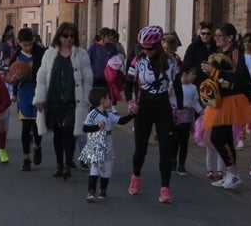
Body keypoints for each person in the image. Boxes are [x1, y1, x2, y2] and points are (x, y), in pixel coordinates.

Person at [123, 25, 179, 203]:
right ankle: (135, 177)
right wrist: (131, 103)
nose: (146, 51)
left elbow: (177, 86)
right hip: (144, 106)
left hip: (163, 105)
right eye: (143, 48)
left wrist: (178, 108)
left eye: (149, 48)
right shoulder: (137, 60)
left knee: (166, 148)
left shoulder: (171, 61)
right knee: (141, 148)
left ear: (158, 45)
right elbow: (128, 82)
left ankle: (165, 189)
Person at [34, 22, 92, 180]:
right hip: (53, 99)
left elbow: (87, 78)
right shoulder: (50, 54)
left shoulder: (81, 54)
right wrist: (39, 98)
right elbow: (41, 78)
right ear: (59, 37)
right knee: (58, 133)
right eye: (65, 35)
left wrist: (87, 99)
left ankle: (68, 163)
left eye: (72, 36)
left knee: (69, 131)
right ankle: (59, 164)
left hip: (73, 100)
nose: (69, 39)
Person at [200, 30, 251, 191]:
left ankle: (232, 173)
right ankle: (230, 174)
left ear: (230, 37)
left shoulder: (236, 52)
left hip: (232, 98)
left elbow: (236, 75)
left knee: (218, 136)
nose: (216, 38)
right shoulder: (219, 52)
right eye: (215, 36)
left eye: (219, 36)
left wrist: (214, 71)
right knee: (221, 137)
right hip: (220, 98)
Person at [79, 87, 131, 202]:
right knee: (95, 167)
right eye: (108, 98)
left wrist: (132, 114)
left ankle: (103, 190)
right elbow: (85, 128)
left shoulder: (108, 114)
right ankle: (91, 191)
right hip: (96, 144)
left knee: (107, 168)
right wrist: (97, 127)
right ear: (102, 100)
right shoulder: (93, 114)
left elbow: (120, 121)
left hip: (108, 143)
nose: (110, 100)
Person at [13, 27, 46, 172]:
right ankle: (26, 158)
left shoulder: (41, 53)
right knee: (26, 127)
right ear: (19, 43)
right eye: (24, 45)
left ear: (33, 41)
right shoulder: (17, 57)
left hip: (38, 92)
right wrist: (14, 85)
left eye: (29, 44)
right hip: (25, 93)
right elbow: (12, 76)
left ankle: (37, 147)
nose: (27, 47)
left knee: (37, 126)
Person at [172, 64, 202, 175]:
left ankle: (182, 165)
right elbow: (169, 98)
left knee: (184, 142)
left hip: (187, 118)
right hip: (175, 117)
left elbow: (195, 102)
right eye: (193, 74)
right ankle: (173, 161)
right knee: (174, 141)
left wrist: (200, 111)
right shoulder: (175, 85)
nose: (195, 76)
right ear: (185, 74)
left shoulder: (193, 87)